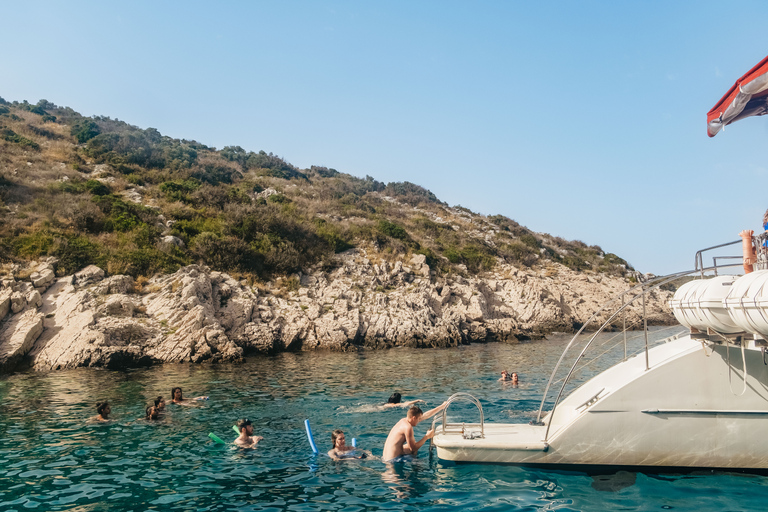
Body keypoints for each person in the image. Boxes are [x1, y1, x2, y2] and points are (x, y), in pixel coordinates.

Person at [382, 402, 447, 461]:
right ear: (413, 418)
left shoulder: (403, 421)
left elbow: (425, 416)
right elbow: (413, 448)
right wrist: (427, 437)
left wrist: (442, 406)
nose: (419, 421)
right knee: (421, 462)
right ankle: (415, 469)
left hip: (385, 456)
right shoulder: (408, 428)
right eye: (418, 419)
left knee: (410, 445)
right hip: (392, 460)